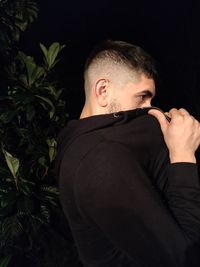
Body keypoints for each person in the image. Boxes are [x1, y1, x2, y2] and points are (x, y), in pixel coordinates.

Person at [56, 40, 200, 267]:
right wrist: (183, 154)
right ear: (103, 91)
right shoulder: (99, 160)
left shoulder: (78, 136)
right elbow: (186, 258)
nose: (149, 109)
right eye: (142, 96)